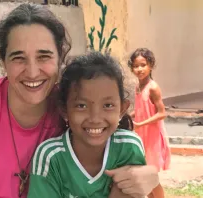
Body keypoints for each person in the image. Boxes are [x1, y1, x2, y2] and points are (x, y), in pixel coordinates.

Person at [0, 4, 160, 198]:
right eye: (18, 58)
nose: (32, 72)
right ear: (2, 63)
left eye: (44, 56)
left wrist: (149, 176)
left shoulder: (74, 105)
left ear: (60, 58)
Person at [28, 52, 146, 198]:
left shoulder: (128, 147)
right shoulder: (51, 157)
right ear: (64, 110)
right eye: (81, 106)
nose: (95, 118)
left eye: (108, 105)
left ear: (122, 109)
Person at [129, 48, 171, 198]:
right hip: (142, 136)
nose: (139, 69)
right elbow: (142, 108)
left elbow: (161, 113)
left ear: (151, 65)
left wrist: (140, 124)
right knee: (144, 176)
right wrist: (129, 115)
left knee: (151, 177)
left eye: (143, 65)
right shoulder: (138, 87)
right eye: (135, 66)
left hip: (152, 137)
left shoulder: (153, 88)